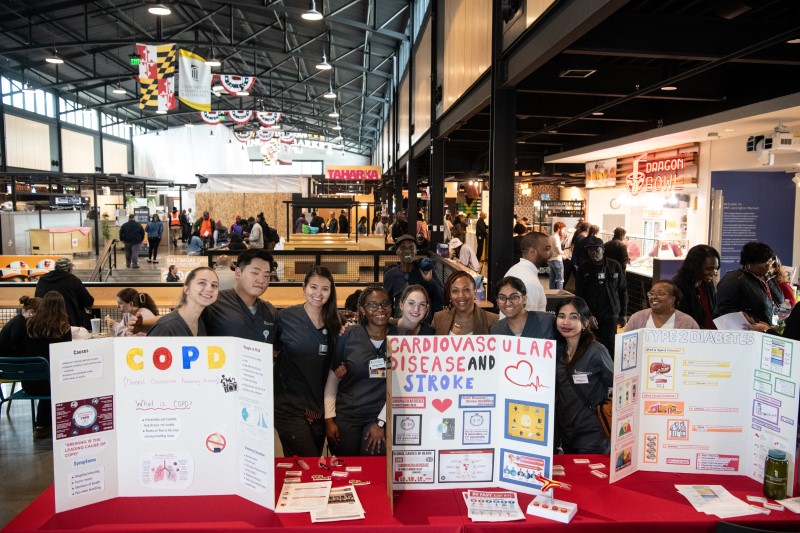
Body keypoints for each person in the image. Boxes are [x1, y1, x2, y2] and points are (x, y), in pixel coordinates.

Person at [274, 266, 340, 457]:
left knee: (307, 466)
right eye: (313, 287)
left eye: (325, 289)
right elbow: (272, 350)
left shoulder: (335, 323)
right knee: (309, 462)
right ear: (304, 287)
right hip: (288, 407)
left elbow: (334, 364)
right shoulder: (286, 318)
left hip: (317, 408)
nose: (318, 293)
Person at [324, 285, 391, 456]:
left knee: (375, 456)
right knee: (345, 466)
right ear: (362, 309)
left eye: (385, 303)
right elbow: (332, 378)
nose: (380, 309)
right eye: (373, 305)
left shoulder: (398, 338)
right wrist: (329, 420)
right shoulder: (348, 335)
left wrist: (381, 423)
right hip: (348, 414)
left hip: (377, 416)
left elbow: (402, 387)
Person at [554, 297, 613, 454]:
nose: (566, 322)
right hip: (566, 433)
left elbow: (619, 382)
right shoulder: (557, 352)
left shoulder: (596, 351)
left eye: (574, 317)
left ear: (585, 322)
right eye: (561, 316)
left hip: (593, 433)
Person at [21, 291, 72, 438]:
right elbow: (66, 356)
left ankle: (41, 424)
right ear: (62, 307)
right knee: (58, 378)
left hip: (30, 382)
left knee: (47, 376)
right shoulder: (63, 327)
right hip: (54, 384)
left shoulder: (29, 324)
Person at [202, 248, 278, 344]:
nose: (261, 280)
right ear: (238, 273)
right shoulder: (214, 304)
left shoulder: (270, 311)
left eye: (266, 275)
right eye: (255, 273)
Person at [575, 236, 628, 356]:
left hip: (611, 312)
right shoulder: (583, 269)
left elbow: (622, 290)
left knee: (610, 344)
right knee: (591, 343)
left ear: (603, 250)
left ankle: (610, 370)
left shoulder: (615, 266)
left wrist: (624, 313)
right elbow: (579, 295)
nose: (593, 252)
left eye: (596, 249)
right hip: (592, 313)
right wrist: (587, 315)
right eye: (590, 250)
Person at [717, 241, 779, 331]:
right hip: (745, 331)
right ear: (750, 262)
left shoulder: (763, 278)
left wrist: (769, 279)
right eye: (763, 262)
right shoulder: (734, 278)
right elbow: (723, 308)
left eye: (769, 261)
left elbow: (780, 298)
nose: (767, 266)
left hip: (764, 330)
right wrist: (747, 318)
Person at [383, 234, 444, 318]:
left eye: (411, 247)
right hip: (400, 323)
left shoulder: (425, 270)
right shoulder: (390, 275)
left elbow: (441, 296)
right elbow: (386, 302)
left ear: (416, 250)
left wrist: (430, 281)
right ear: (397, 251)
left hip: (423, 322)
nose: (407, 250)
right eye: (403, 247)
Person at [148, 267, 219, 336]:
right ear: (186, 289)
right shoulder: (165, 327)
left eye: (214, 285)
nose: (209, 289)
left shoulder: (200, 322)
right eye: (202, 283)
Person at [34, 257, 94, 329]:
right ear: (69, 269)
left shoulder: (42, 280)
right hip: (69, 324)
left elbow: (37, 299)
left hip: (44, 324)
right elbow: (88, 302)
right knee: (91, 318)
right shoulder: (73, 280)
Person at [433, 271, 499, 335]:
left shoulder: (493, 320)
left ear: (475, 292)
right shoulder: (438, 318)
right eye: (455, 291)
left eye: (466, 290)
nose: (461, 295)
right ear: (449, 295)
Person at [672, 244, 720, 329]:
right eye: (709, 269)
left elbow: (713, 312)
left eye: (716, 268)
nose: (714, 273)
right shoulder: (678, 286)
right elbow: (683, 321)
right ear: (694, 266)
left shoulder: (707, 284)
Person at [490, 276, 554, 338]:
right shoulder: (496, 330)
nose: (508, 303)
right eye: (502, 298)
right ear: (497, 301)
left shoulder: (547, 321)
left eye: (514, 297)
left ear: (524, 299)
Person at [503, 232, 551, 312]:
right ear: (532, 252)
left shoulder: (515, 269)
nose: (550, 253)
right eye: (547, 249)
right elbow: (530, 321)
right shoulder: (531, 282)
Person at [624, 280, 699, 331]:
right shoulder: (636, 318)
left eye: (660, 294)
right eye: (651, 293)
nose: (654, 297)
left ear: (673, 299)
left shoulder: (688, 322)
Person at [549, 222, 566, 290]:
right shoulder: (556, 238)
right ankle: (559, 295)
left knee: (552, 279)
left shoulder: (551, 237)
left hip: (550, 260)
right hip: (557, 260)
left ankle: (551, 294)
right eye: (563, 229)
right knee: (560, 280)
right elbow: (559, 250)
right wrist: (564, 253)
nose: (564, 231)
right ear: (559, 229)